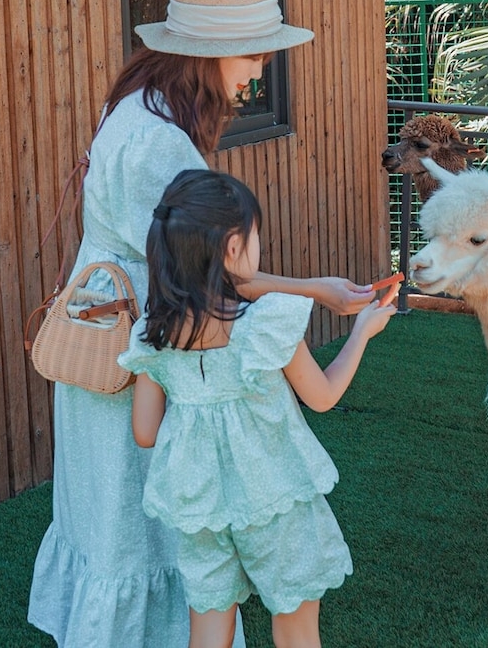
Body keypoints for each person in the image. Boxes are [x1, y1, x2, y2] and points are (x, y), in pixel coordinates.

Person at [28, 0, 375, 647]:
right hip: (145, 321)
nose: (261, 70)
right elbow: (216, 276)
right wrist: (319, 291)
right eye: (252, 54)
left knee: (118, 505)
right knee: (137, 517)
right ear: (207, 54)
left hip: (124, 326)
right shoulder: (162, 140)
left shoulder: (139, 104)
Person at [118, 169, 395, 648]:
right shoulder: (266, 324)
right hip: (277, 500)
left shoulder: (154, 334)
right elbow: (323, 396)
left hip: (201, 507)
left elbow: (145, 432)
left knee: (207, 629)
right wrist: (361, 334)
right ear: (230, 247)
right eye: (254, 234)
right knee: (295, 625)